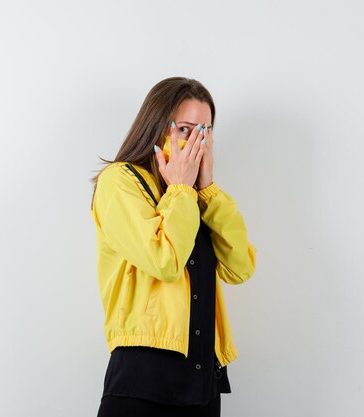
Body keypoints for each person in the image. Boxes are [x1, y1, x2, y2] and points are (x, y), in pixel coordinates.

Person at [89, 77, 257, 417]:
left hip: (202, 381)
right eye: (185, 129)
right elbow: (164, 260)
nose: (195, 141)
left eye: (205, 131)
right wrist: (181, 189)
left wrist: (206, 190)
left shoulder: (197, 198)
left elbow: (240, 268)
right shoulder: (120, 181)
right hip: (142, 378)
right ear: (157, 127)